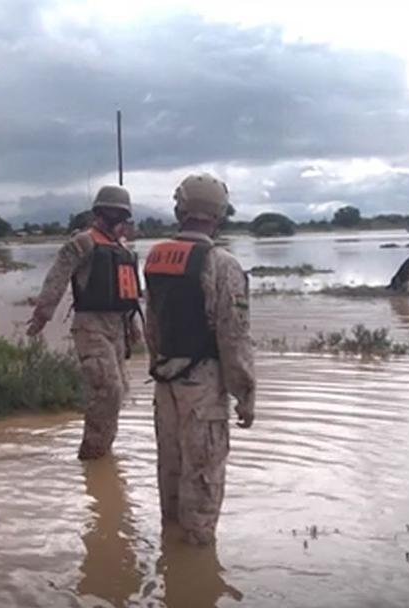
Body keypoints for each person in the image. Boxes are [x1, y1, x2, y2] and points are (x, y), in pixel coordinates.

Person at [142, 173, 255, 545]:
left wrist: (160, 363)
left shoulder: (156, 258)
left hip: (165, 380)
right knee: (204, 475)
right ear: (218, 213)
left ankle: (170, 557)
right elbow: (233, 336)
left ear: (181, 208)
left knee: (171, 471)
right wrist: (245, 394)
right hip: (203, 385)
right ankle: (197, 563)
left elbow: (152, 325)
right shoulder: (223, 264)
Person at [26, 185, 141, 460]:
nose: (116, 218)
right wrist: (42, 315)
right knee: (107, 390)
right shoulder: (82, 243)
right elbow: (57, 279)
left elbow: (127, 294)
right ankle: (91, 455)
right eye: (111, 212)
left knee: (118, 393)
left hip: (117, 329)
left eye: (120, 213)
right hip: (91, 327)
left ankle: (102, 459)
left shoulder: (122, 250)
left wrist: (132, 327)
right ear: (99, 212)